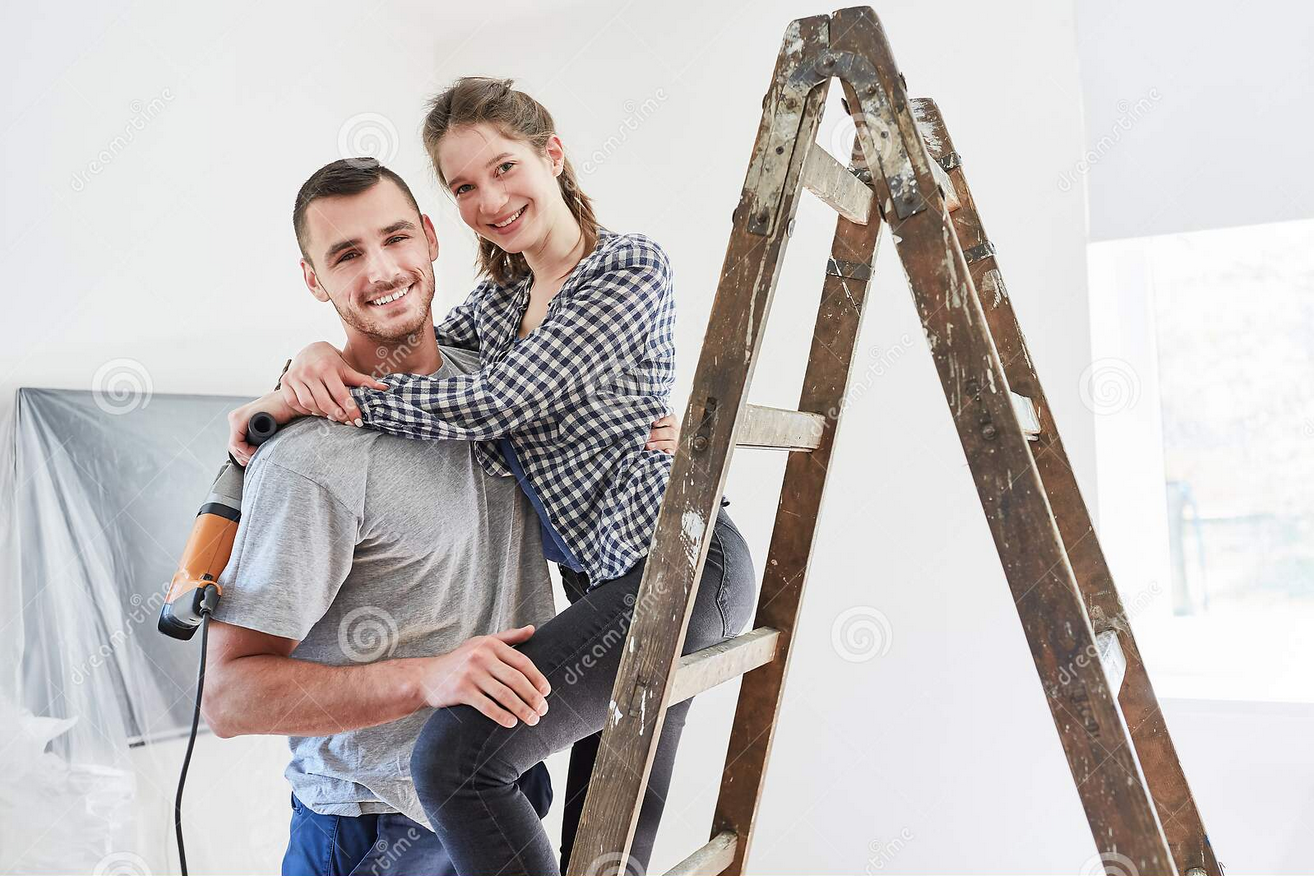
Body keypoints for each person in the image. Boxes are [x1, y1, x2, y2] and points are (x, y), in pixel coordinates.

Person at [229, 77, 757, 876]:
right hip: (373, 807)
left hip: (675, 565)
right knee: (604, 844)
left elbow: (493, 401)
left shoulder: (625, 267)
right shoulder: (504, 305)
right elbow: (424, 347)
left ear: (553, 154)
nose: (491, 200)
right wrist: (307, 368)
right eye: (465, 186)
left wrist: (340, 399)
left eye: (505, 168)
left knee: (469, 768)